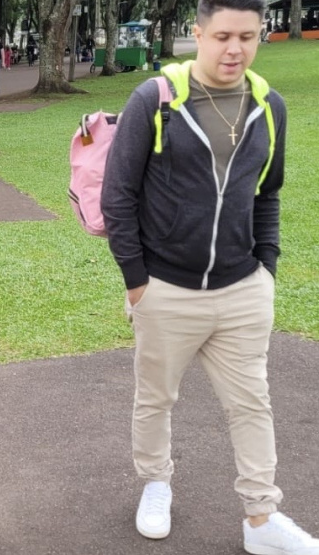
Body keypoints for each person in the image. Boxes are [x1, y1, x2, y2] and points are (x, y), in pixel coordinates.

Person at [101, 0, 319, 553]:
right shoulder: (155, 100)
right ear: (196, 33)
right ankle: (156, 482)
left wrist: (266, 268)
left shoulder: (270, 106)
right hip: (165, 288)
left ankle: (261, 518)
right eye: (222, 35)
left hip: (243, 286)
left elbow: (267, 194)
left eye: (247, 36)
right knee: (156, 398)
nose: (234, 49)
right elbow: (117, 196)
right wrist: (136, 280)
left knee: (253, 404)